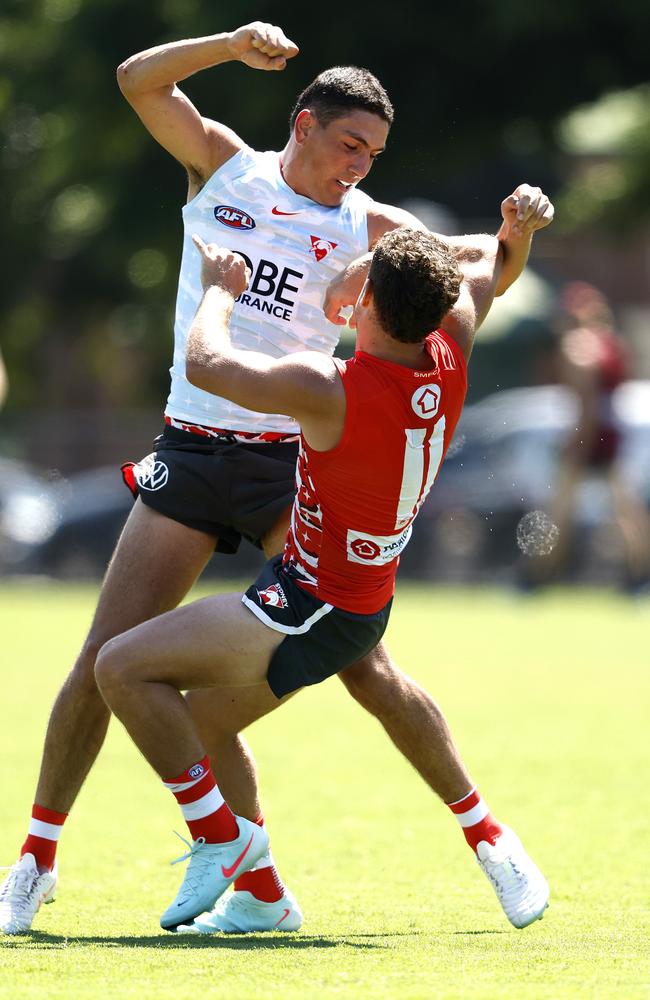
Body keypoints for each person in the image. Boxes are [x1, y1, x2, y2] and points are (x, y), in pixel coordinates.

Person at [0, 19, 547, 936]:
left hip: (289, 463)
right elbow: (136, 78)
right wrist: (227, 45)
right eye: (349, 143)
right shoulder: (224, 168)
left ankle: (491, 845)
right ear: (303, 122)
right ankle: (39, 862)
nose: (361, 165)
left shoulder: (372, 225)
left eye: (375, 152)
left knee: (363, 662)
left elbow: (474, 269)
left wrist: (515, 225)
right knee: (100, 662)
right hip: (191, 449)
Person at [93, 218, 553, 935]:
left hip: (308, 605)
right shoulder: (452, 346)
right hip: (358, 600)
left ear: (366, 299)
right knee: (205, 721)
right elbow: (488, 269)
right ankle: (263, 897)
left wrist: (221, 291)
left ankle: (221, 836)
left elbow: (209, 365)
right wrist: (511, 233)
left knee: (119, 668)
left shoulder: (329, 386)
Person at [526, 281, 650, 589]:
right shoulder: (613, 343)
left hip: (590, 435)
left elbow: (588, 401)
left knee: (560, 510)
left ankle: (536, 575)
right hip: (613, 434)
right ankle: (639, 576)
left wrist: (578, 442)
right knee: (625, 509)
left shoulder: (577, 346)